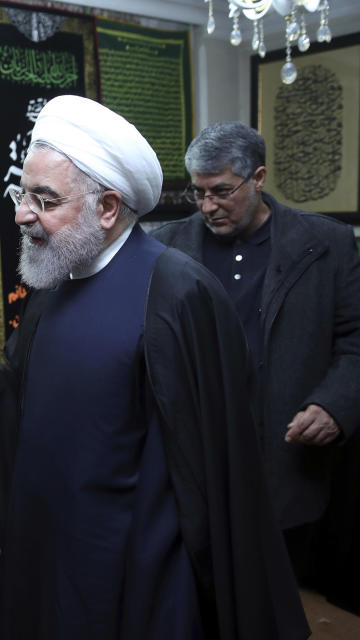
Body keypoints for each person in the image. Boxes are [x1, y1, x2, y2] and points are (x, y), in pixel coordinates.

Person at [0, 96, 308, 639]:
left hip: (138, 572)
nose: (23, 213)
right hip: (52, 551)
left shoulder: (178, 293)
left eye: (45, 200)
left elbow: (211, 465)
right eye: (23, 194)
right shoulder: (56, 284)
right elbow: (38, 411)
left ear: (107, 208)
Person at [152, 121, 360, 590]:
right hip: (195, 454)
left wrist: (335, 404)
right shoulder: (165, 248)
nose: (208, 206)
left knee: (278, 595)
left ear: (259, 177)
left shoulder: (325, 244)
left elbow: (355, 340)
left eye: (222, 191)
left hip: (285, 454)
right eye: (198, 193)